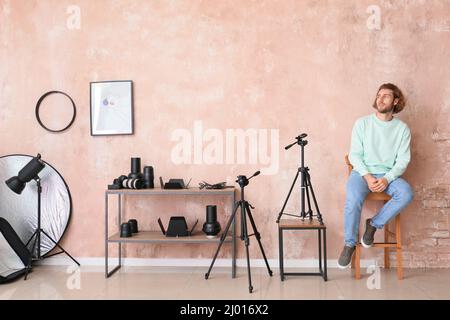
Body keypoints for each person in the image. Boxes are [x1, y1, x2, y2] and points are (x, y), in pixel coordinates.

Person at [338, 83, 414, 269]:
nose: (379, 99)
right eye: (378, 95)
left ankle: (373, 224)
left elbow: (403, 160)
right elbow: (355, 155)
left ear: (395, 101)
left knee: (406, 193)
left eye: (385, 96)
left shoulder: (402, 129)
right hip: (362, 173)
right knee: (353, 198)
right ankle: (349, 244)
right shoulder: (362, 123)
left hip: (388, 175)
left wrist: (387, 178)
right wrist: (368, 177)